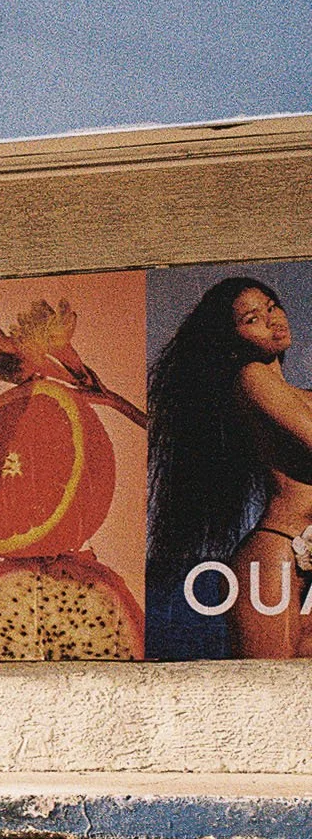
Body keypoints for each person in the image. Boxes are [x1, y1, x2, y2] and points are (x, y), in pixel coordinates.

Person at [149, 277, 312, 657]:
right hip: (279, 550)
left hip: (296, 551)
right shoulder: (251, 377)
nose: (272, 320)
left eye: (272, 306)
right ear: (232, 338)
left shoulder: (297, 394)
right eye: (252, 318)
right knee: (270, 691)